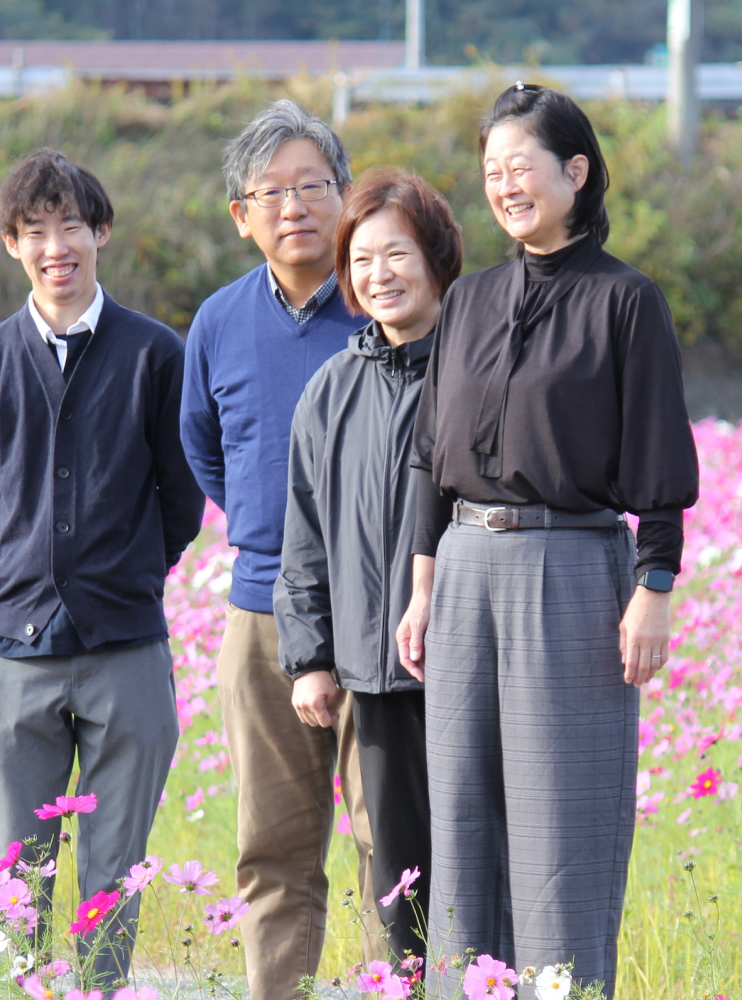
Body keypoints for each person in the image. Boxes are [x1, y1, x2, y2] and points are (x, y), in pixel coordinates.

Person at [396, 83, 700, 999]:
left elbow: (659, 458)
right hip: (464, 569)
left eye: (521, 166)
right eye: (491, 171)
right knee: (464, 814)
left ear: (576, 171)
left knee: (561, 817)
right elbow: (427, 460)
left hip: (569, 569)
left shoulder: (626, 301)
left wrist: (655, 587)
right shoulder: (472, 301)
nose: (505, 186)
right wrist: (421, 588)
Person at [0, 149, 204, 989]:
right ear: (11, 245)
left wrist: (126, 574)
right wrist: (17, 576)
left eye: (70, 226)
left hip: (127, 649)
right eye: (34, 231)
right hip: (13, 653)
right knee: (14, 877)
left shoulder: (157, 355)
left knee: (113, 874)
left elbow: (182, 493)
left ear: (101, 233)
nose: (55, 246)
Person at [179, 100, 379, 1000]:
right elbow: (204, 447)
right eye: (273, 191)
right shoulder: (218, 321)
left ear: (346, 196)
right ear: (241, 214)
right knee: (274, 846)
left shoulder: (385, 299)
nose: (295, 206)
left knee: (393, 842)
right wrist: (274, 532)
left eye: (313, 185)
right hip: (260, 613)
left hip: (382, 613)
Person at [274, 167, 463, 964]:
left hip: (471, 668)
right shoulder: (332, 387)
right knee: (400, 876)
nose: (378, 274)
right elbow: (305, 533)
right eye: (361, 259)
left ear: (438, 258)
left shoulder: (478, 371)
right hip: (377, 674)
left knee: (479, 856)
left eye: (397, 254)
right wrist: (309, 658)